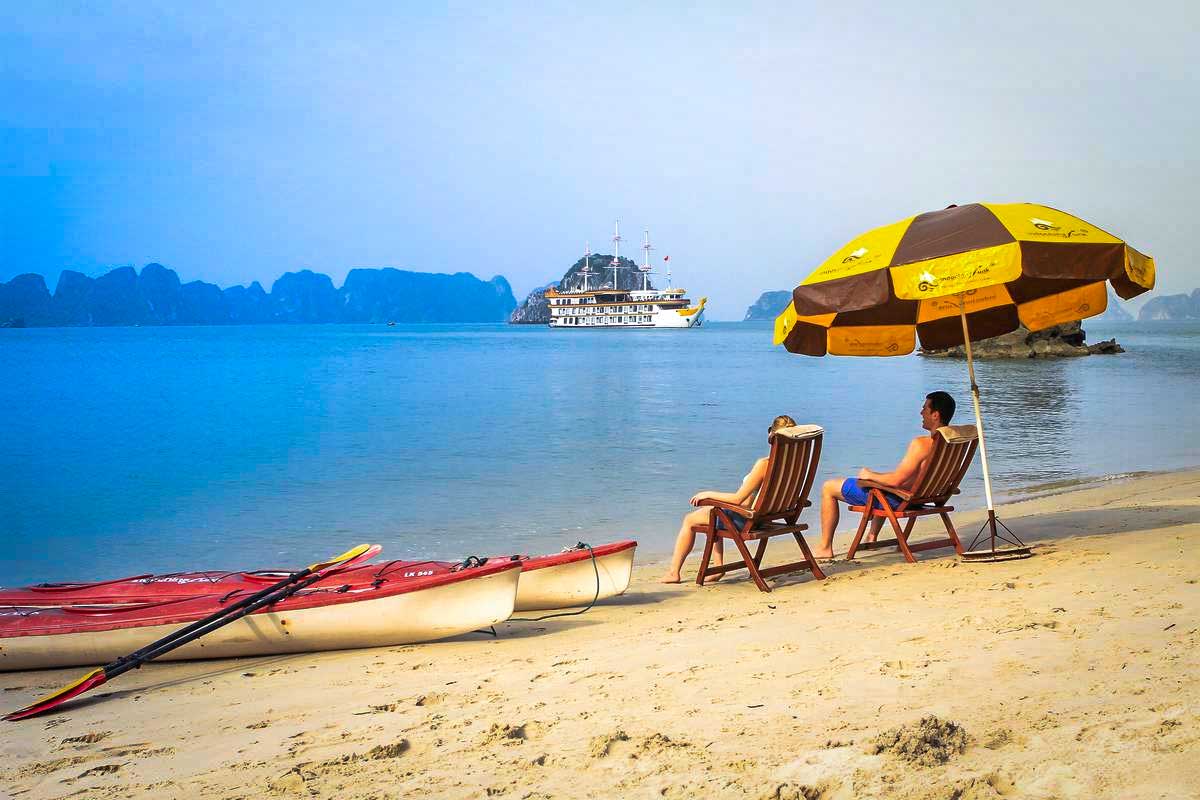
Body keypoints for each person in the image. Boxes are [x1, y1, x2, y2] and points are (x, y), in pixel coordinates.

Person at [810, 391, 956, 560]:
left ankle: (825, 547)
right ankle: (872, 537)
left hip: (902, 501)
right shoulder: (951, 443)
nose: (921, 413)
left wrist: (868, 474)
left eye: (924, 409)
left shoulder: (921, 444)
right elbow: (908, 479)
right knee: (881, 485)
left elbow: (896, 480)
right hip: (923, 498)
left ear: (935, 415)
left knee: (829, 487)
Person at [660, 414, 797, 584]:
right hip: (768, 517)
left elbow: (739, 500)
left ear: (771, 435)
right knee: (714, 513)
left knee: (690, 520)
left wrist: (708, 494)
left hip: (750, 520)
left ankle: (674, 572)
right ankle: (718, 567)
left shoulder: (764, 464)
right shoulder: (792, 466)